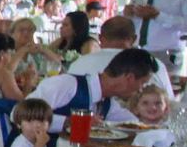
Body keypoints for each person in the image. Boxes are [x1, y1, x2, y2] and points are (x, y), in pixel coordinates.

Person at [27, 48, 155, 133]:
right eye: (143, 83)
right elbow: (23, 113)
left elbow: (134, 125)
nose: (141, 90)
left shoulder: (108, 103)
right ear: (130, 78)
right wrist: (71, 122)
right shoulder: (67, 84)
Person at [68, 16, 175, 96]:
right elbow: (168, 101)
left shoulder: (80, 63)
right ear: (134, 39)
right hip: (142, 119)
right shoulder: (153, 64)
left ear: (100, 38)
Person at [9, 17, 62, 91]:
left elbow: (58, 63)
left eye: (30, 30)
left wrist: (43, 50)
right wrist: (24, 50)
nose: (26, 33)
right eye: (21, 30)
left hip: (38, 89)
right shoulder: (6, 53)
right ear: (12, 34)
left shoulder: (36, 51)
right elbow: (8, 72)